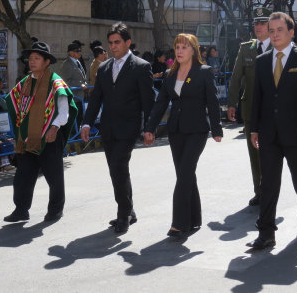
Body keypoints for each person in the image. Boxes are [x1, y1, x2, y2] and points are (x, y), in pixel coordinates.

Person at [248, 12, 297, 250]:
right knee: (268, 183)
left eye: (279, 30)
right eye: (271, 30)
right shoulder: (261, 61)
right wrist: (254, 128)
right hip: (268, 134)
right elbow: (257, 97)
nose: (275, 34)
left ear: (291, 32)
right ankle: (266, 232)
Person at [144, 33, 222, 237]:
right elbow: (161, 102)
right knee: (185, 174)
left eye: (184, 47)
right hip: (176, 131)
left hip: (197, 130)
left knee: (185, 173)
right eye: (177, 47)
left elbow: (212, 101)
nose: (179, 51)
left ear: (193, 50)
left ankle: (179, 223)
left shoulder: (203, 72)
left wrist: (216, 128)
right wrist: (150, 128)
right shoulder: (170, 73)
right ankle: (194, 218)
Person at [81, 22, 155, 233]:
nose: (113, 47)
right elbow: (96, 99)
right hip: (108, 128)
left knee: (118, 167)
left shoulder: (141, 66)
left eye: (117, 42)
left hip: (129, 128)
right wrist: (87, 122)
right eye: (110, 43)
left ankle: (123, 215)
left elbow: (148, 101)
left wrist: (149, 128)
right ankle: (129, 210)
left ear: (127, 42)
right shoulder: (104, 68)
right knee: (117, 172)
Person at [4, 41, 78, 223]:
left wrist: (55, 127)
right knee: (23, 175)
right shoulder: (24, 83)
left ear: (46, 62)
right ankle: (21, 209)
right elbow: (16, 106)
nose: (32, 62)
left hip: (50, 136)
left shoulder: (55, 82)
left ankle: (55, 210)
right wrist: (19, 134)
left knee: (54, 176)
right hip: (28, 138)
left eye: (37, 58)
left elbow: (64, 110)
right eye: (30, 58)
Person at [227, 7, 272, 206]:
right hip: (250, 108)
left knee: (270, 152)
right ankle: (259, 190)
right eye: (256, 23)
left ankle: (271, 189)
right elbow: (236, 77)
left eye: (262, 23)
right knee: (254, 152)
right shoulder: (247, 48)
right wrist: (231, 103)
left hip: (272, 110)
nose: (258, 27)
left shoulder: (279, 47)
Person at [61, 42, 88, 128]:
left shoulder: (77, 62)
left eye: (80, 51)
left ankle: (77, 137)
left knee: (79, 118)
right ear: (70, 52)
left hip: (80, 96)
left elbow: (82, 77)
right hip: (73, 97)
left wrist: (85, 84)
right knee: (74, 120)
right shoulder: (66, 64)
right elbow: (65, 81)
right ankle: (72, 138)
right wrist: (80, 85)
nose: (80, 52)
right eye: (77, 51)